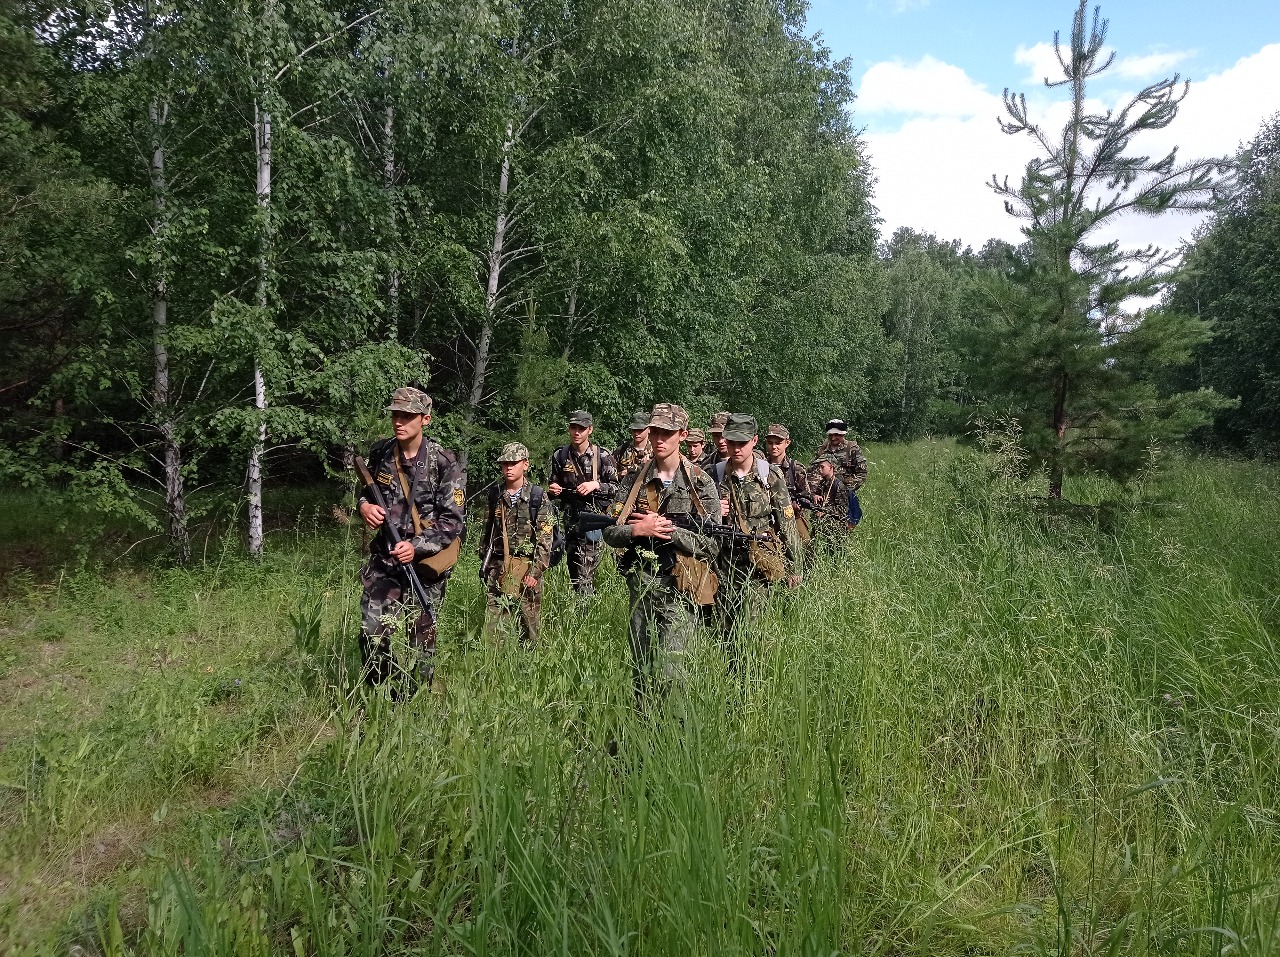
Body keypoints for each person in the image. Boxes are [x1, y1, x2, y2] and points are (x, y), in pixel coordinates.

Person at [602, 404, 720, 706]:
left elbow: (712, 544)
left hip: (681, 589)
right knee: (640, 671)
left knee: (672, 673)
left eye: (667, 433)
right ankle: (639, 734)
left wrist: (666, 531)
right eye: (655, 432)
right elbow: (609, 532)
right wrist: (639, 531)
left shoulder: (700, 482)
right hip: (641, 586)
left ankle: (674, 738)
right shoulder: (633, 482)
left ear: (681, 435)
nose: (659, 439)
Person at [357, 387, 465, 689]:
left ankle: (418, 701)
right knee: (372, 632)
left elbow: (452, 522)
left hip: (424, 565)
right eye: (395, 415)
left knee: (422, 640)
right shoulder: (380, 452)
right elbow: (365, 491)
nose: (399, 422)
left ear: (425, 419)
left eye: (407, 416)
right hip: (385, 559)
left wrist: (416, 546)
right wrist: (365, 507)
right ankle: (381, 697)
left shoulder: (444, 463)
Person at [713, 414, 802, 664]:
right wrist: (714, 511)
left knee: (752, 630)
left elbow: (786, 523)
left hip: (758, 565)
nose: (736, 448)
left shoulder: (769, 476)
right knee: (723, 630)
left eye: (742, 442)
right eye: (731, 442)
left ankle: (753, 682)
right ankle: (728, 682)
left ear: (754, 441)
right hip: (724, 564)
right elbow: (700, 522)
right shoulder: (714, 475)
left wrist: (795, 566)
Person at [477, 442, 556, 645]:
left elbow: (545, 538)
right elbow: (487, 532)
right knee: (494, 628)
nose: (508, 468)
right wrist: (485, 561)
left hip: (527, 569)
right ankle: (494, 669)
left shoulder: (538, 497)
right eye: (504, 463)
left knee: (529, 628)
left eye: (513, 463)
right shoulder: (495, 495)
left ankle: (528, 670)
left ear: (525, 464)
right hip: (499, 567)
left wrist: (536, 571)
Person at [547, 410, 619, 597]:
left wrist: (595, 485)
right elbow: (554, 484)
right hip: (571, 517)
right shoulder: (560, 455)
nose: (576, 432)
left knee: (586, 568)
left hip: (593, 517)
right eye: (573, 428)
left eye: (581, 428)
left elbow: (617, 488)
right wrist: (553, 489)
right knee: (572, 563)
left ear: (590, 430)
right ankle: (581, 603)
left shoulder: (601, 456)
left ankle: (586, 606)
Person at [808, 418, 868, 526]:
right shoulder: (822, 449)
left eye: (836, 435)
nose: (833, 438)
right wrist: (814, 493)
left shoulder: (851, 448)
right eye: (830, 435)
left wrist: (845, 487)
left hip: (842, 495)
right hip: (823, 493)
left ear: (843, 434)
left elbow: (862, 473)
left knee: (842, 524)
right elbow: (812, 471)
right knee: (818, 523)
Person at [763, 423, 812, 544]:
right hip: (767, 517)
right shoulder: (760, 466)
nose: (774, 447)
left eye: (778, 443)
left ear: (787, 443)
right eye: (770, 443)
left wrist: (796, 506)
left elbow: (805, 496)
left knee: (807, 545)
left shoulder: (796, 468)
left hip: (792, 516)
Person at [808, 453, 850, 543]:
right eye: (819, 467)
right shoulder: (823, 483)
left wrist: (824, 511)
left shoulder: (839, 485)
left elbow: (842, 510)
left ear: (831, 467)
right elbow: (815, 498)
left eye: (822, 467)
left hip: (835, 527)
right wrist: (814, 497)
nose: (819, 470)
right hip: (822, 524)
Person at [614, 411, 653, 478]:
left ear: (649, 429)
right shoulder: (622, 450)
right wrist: (620, 474)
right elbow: (610, 475)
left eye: (640, 430)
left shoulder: (655, 451)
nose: (636, 433)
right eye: (634, 429)